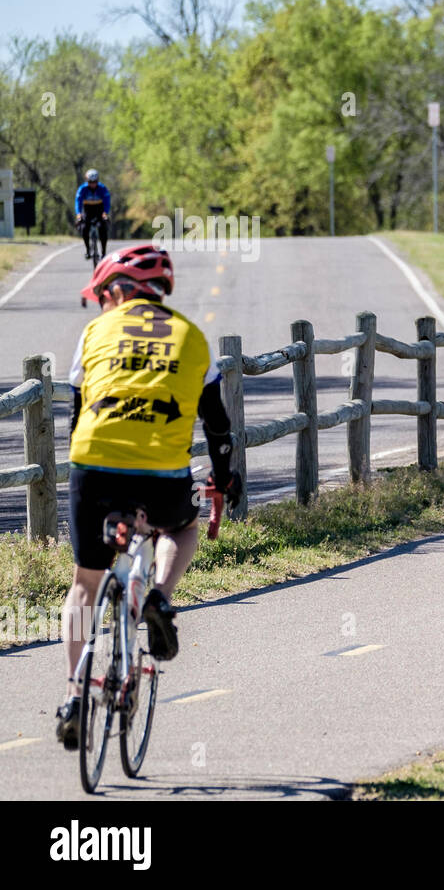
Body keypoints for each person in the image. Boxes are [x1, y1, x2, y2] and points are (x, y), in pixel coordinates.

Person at [54, 244, 244, 749]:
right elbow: (219, 430)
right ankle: (159, 595)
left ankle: (75, 694)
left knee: (83, 584)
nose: (100, 307)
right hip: (161, 473)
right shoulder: (192, 338)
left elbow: (78, 413)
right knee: (178, 526)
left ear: (117, 292)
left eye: (101, 297)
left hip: (93, 466)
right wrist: (222, 481)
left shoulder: (95, 333)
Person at [75, 169, 111, 260]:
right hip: (87, 210)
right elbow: (78, 202)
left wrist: (105, 213)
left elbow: (107, 201)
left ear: (97, 181)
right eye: (90, 182)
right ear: (87, 181)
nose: (93, 184)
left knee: (103, 228)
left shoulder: (102, 188)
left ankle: (103, 252)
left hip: (99, 209)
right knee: (84, 228)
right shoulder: (82, 189)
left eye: (95, 182)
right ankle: (88, 250)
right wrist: (78, 214)